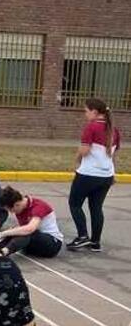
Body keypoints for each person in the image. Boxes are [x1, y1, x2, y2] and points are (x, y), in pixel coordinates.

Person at [66, 98, 121, 253]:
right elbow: (113, 154)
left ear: (95, 112)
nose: (85, 114)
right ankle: (95, 242)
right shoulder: (114, 130)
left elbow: (85, 150)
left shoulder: (92, 127)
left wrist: (76, 159)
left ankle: (82, 236)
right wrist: (113, 173)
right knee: (96, 207)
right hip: (106, 175)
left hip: (88, 174)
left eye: (86, 111)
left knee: (75, 204)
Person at [0, 186, 63, 258]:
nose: (12, 212)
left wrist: (2, 234)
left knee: (26, 231)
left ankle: (4, 252)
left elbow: (30, 229)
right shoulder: (20, 209)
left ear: (17, 204)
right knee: (15, 231)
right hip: (33, 244)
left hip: (52, 244)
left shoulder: (38, 206)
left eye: (11, 210)